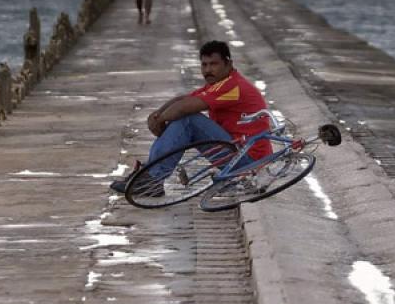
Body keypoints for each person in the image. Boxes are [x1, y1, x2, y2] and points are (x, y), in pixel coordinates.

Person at [110, 40, 273, 194]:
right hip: (236, 152)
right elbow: (184, 99)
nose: (208, 70)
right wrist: (157, 114)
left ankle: (152, 178)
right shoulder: (218, 84)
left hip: (249, 161)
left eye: (214, 64)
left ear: (228, 64)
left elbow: (186, 107)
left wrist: (159, 120)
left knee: (188, 119)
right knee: (181, 115)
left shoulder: (233, 86)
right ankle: (150, 175)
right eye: (204, 65)